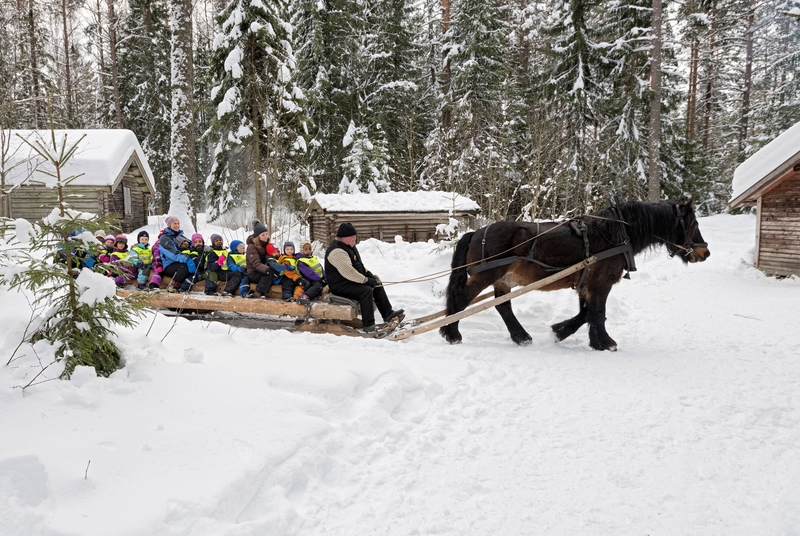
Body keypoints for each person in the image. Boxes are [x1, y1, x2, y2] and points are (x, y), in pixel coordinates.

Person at [324, 222, 403, 332]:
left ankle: (388, 313)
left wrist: (368, 274)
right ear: (344, 238)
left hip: (349, 281)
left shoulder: (349, 246)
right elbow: (349, 272)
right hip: (340, 285)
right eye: (353, 237)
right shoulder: (337, 251)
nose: (355, 239)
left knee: (376, 282)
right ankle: (368, 325)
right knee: (365, 290)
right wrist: (365, 280)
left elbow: (357, 265)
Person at [245, 220, 293, 299]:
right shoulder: (251, 247)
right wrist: (268, 270)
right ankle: (259, 292)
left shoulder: (266, 245)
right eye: (263, 235)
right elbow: (256, 264)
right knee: (269, 275)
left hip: (264, 269)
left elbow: (272, 256)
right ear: (257, 237)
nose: (266, 236)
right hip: (254, 272)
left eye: (267, 234)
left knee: (281, 276)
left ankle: (287, 294)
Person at [159, 216, 195, 292]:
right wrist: (187, 259)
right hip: (169, 265)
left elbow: (192, 245)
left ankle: (186, 285)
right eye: (174, 223)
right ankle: (173, 285)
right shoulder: (165, 238)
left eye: (178, 223)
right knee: (184, 267)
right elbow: (173, 253)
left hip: (178, 261)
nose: (177, 225)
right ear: (169, 225)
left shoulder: (179, 236)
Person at [295, 241, 326, 305]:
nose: (308, 251)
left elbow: (320, 267)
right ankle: (305, 296)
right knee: (318, 286)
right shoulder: (301, 261)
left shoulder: (313, 258)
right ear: (302, 250)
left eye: (309, 249)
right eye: (306, 249)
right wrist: (320, 279)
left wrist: (324, 276)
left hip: (319, 277)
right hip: (310, 279)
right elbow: (309, 273)